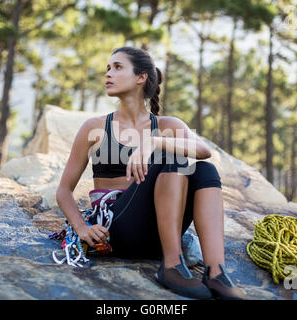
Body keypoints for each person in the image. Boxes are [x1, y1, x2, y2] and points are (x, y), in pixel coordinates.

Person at [56, 46, 246, 300]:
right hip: (119, 229)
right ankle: (171, 266)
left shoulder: (167, 125)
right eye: (108, 68)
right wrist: (81, 227)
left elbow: (203, 151)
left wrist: (153, 142)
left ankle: (216, 272)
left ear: (141, 77)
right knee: (175, 159)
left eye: (118, 67)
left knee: (203, 169)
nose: (108, 74)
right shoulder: (95, 127)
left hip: (160, 231)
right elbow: (63, 190)